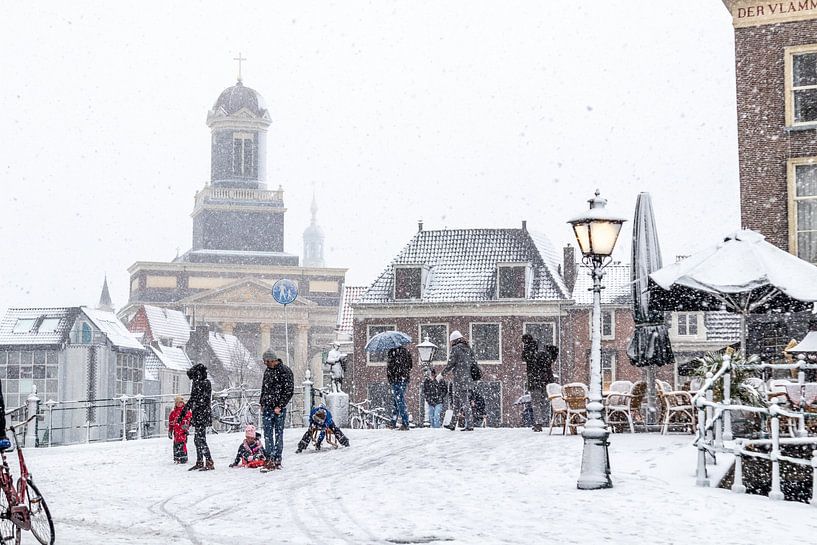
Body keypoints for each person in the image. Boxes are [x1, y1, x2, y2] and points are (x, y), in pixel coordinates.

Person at [259, 349, 294, 471]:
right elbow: (264, 388)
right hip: (268, 407)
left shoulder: (285, 371)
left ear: (272, 360)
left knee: (278, 434)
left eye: (266, 361)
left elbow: (289, 390)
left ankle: (276, 458)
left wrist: (280, 405)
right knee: (268, 434)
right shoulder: (268, 371)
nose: (265, 363)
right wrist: (262, 402)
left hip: (278, 408)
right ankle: (269, 458)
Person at [178, 363, 214, 470]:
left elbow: (195, 399)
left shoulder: (202, 383)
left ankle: (208, 461)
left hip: (201, 414)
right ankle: (200, 461)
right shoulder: (202, 382)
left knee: (200, 439)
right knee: (198, 439)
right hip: (200, 413)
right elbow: (195, 399)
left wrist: (183, 413)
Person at [441, 330, 477, 431]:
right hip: (467, 379)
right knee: (457, 403)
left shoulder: (455, 349)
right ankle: (452, 424)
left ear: (454, 340)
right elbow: (473, 362)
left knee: (465, 403)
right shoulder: (468, 349)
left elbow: (450, 364)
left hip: (459, 379)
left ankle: (470, 425)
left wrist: (441, 374)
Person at [522, 334, 547, 432]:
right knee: (543, 401)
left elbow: (524, 358)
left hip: (534, 380)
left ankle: (538, 423)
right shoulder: (540, 348)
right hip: (543, 380)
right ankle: (545, 420)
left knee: (535, 402)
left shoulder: (528, 349)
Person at [386, 345, 412, 430]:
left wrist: (391, 376)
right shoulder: (406, 352)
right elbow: (410, 365)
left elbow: (390, 368)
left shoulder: (392, 353)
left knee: (399, 400)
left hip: (396, 379)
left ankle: (405, 422)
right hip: (403, 379)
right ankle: (393, 422)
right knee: (397, 400)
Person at [168, 395, 192, 464]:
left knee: (182, 445)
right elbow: (171, 422)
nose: (179, 404)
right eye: (178, 403)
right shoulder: (173, 413)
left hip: (183, 431)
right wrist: (170, 430)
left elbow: (189, 420)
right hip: (176, 432)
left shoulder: (186, 411)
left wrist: (186, 427)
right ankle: (177, 458)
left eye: (181, 402)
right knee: (176, 445)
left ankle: (183, 458)